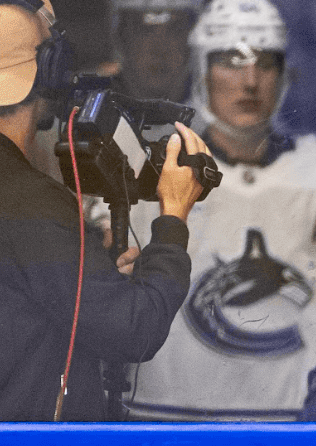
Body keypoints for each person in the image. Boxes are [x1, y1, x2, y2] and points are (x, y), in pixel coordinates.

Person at [122, 0, 316, 421]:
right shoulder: (143, 168)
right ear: (201, 70)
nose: (251, 81)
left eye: (266, 63)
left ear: (284, 73)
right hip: (164, 424)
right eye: (230, 62)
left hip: (297, 426)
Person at [0, 0, 210, 421]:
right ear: (48, 71)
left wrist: (99, 279)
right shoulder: (28, 200)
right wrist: (173, 217)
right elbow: (133, 331)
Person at [109, 0, 199, 101]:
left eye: (175, 29)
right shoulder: (96, 106)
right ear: (121, 38)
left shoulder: (210, 107)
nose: (160, 49)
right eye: (145, 30)